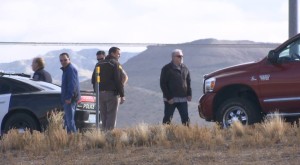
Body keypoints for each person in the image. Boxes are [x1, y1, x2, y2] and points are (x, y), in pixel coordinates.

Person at [160, 49, 192, 126]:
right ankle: (163, 134)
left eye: (182, 56)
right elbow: (163, 84)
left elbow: (188, 81)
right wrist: (169, 97)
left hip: (183, 98)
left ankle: (188, 134)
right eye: (179, 56)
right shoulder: (166, 68)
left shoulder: (185, 68)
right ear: (173, 57)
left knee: (185, 118)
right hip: (171, 99)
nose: (181, 57)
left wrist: (189, 94)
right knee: (168, 118)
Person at [96, 47, 125, 131]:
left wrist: (97, 92)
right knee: (111, 117)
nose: (119, 55)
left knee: (103, 117)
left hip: (100, 94)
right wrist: (122, 95)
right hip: (112, 94)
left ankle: (102, 137)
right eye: (118, 53)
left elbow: (93, 80)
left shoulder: (99, 64)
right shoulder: (115, 64)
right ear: (112, 53)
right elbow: (118, 80)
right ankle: (108, 138)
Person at [59, 52, 81, 133]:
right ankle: (70, 140)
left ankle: (75, 139)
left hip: (70, 99)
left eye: (65, 60)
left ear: (69, 59)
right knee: (67, 122)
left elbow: (72, 85)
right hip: (68, 99)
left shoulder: (70, 69)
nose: (63, 62)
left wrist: (68, 97)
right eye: (61, 60)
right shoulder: (66, 70)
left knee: (70, 122)